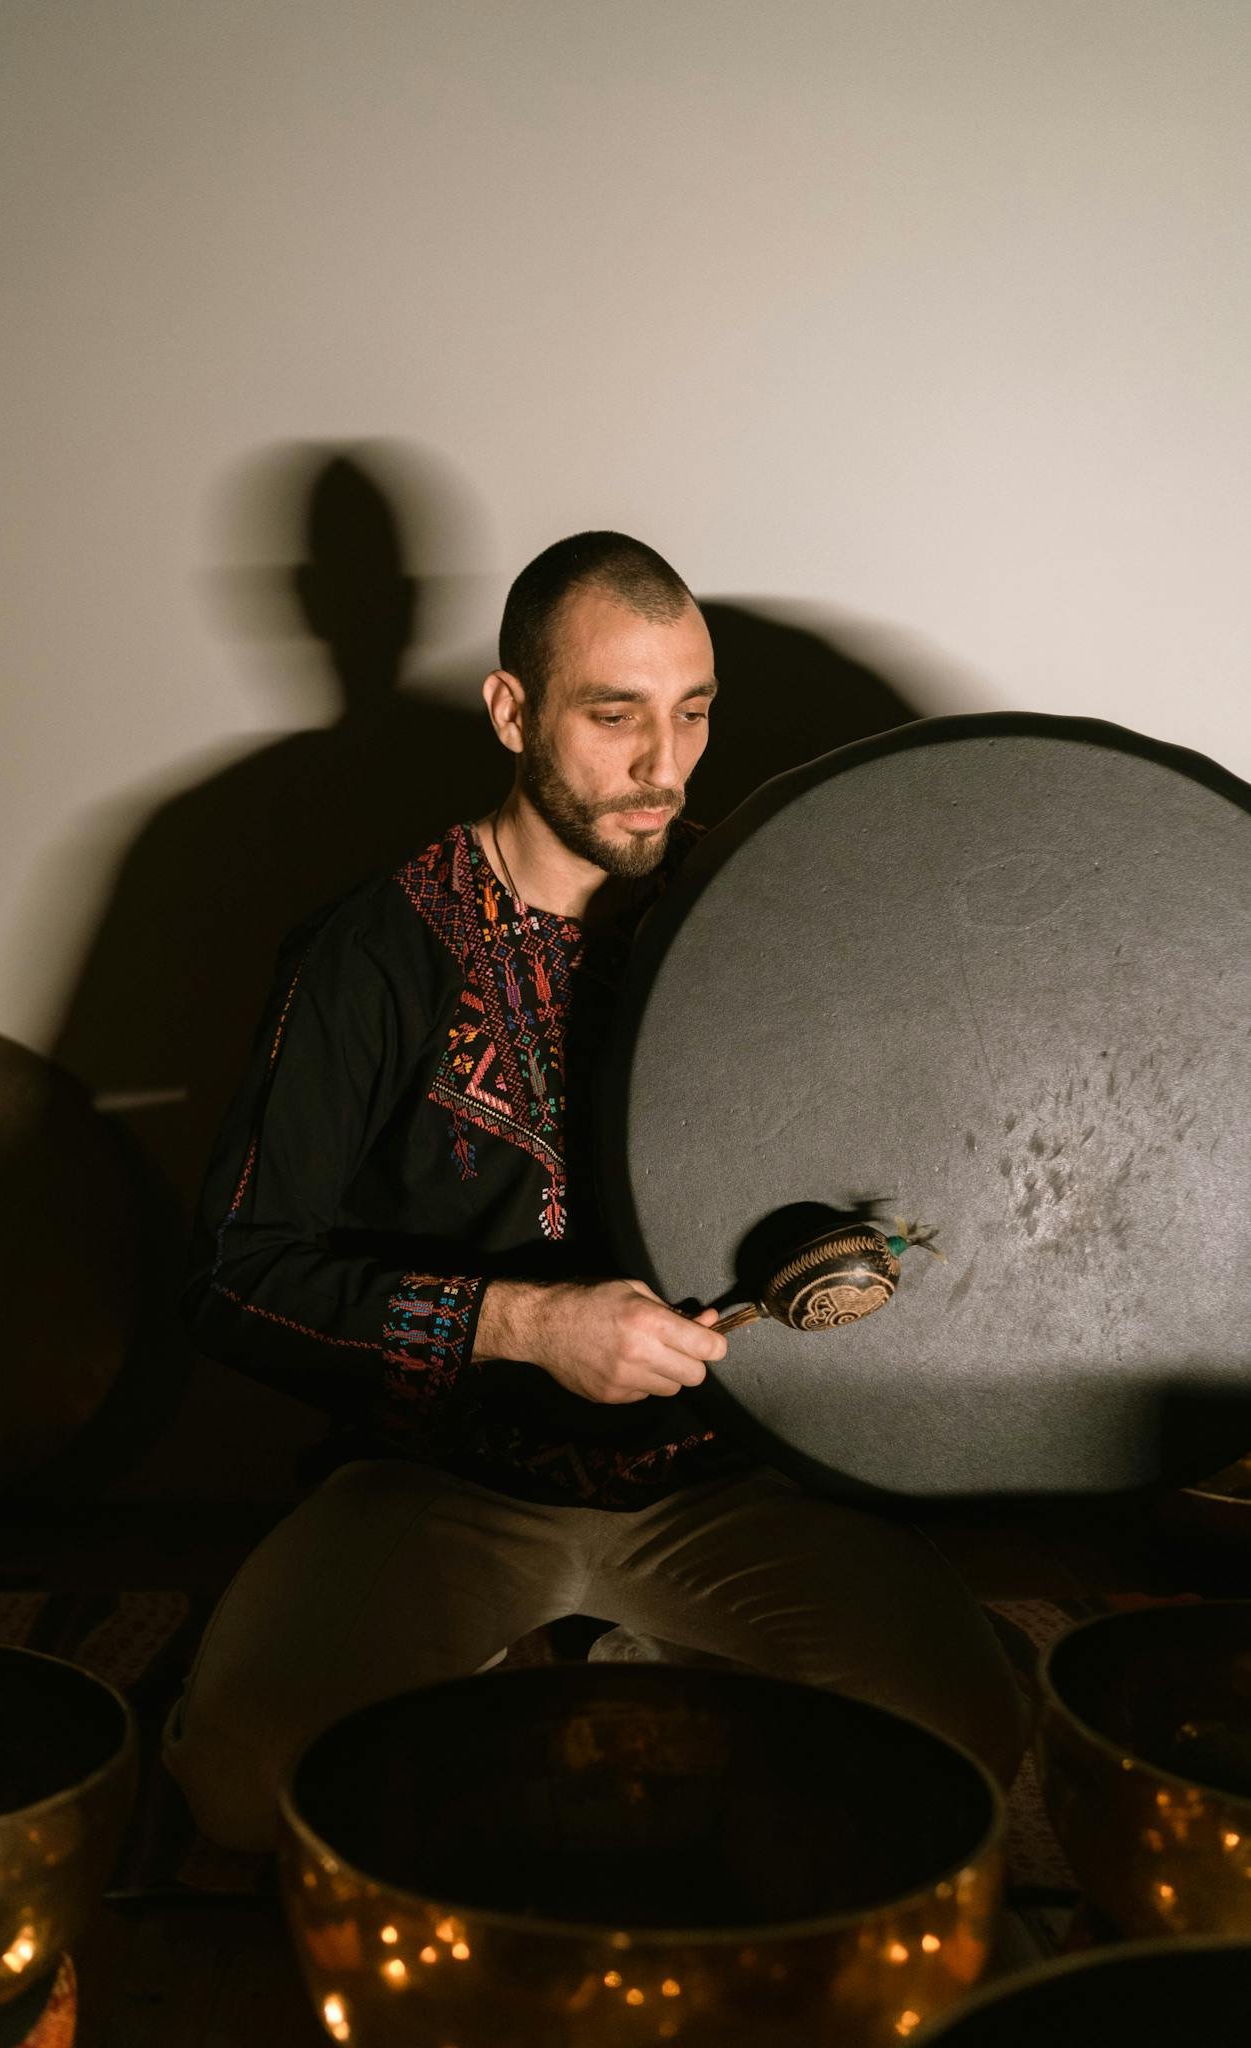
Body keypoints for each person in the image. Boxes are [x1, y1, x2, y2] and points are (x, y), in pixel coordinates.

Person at [164, 531, 1024, 1850]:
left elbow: (888, 1175)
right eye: (612, 715)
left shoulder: (755, 917)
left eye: (690, 714)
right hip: (440, 1485)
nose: (661, 768)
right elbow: (230, 1276)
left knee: (960, 1746)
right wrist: (519, 1326)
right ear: (512, 710)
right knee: (248, 1780)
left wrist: (878, 1249)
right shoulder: (374, 952)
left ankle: (593, 1678)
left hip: (720, 1489)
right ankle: (591, 1682)